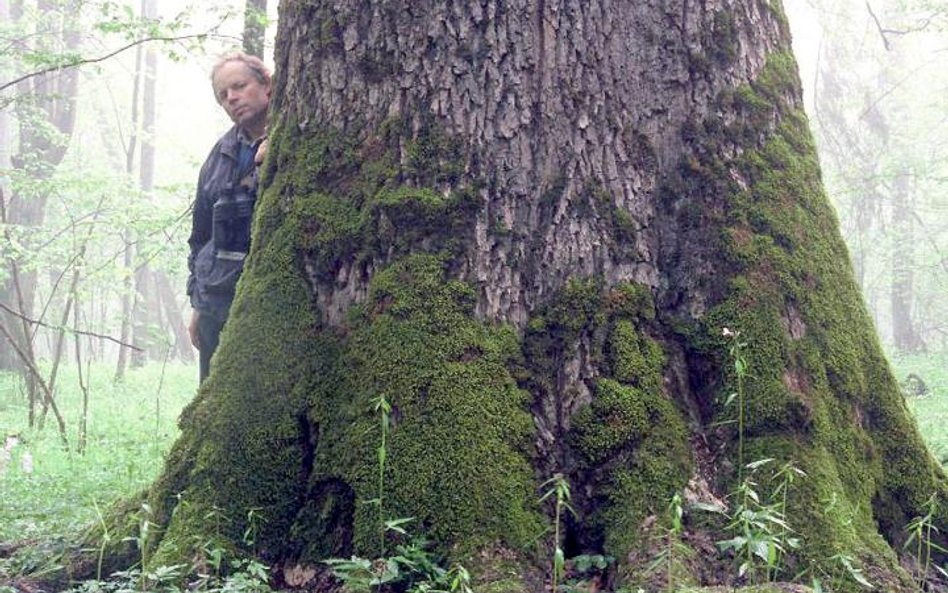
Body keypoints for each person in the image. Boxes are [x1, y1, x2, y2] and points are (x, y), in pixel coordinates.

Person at [186, 52, 271, 382]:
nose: (232, 98)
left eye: (239, 86)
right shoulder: (220, 156)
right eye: (223, 94)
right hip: (217, 307)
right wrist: (198, 304)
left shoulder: (298, 136)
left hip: (271, 309)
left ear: (267, 84)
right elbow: (201, 237)